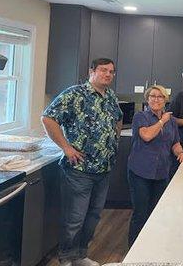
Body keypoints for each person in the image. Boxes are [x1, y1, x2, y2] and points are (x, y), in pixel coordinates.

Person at [42, 58, 123, 266]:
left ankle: (80, 255)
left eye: (111, 72)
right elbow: (48, 118)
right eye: (103, 70)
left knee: (94, 216)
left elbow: (118, 118)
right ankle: (66, 258)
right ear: (91, 71)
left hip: (103, 168)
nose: (108, 75)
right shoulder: (75, 94)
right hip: (79, 169)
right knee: (74, 218)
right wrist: (66, 148)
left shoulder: (110, 96)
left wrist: (112, 139)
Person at [127, 85, 183, 246]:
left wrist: (180, 153)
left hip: (161, 172)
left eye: (160, 96)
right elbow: (146, 136)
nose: (156, 99)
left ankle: (151, 245)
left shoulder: (171, 121)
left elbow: (175, 143)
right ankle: (134, 249)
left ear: (165, 100)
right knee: (140, 213)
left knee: (156, 212)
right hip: (140, 172)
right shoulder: (141, 117)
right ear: (147, 99)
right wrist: (162, 121)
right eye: (152, 96)